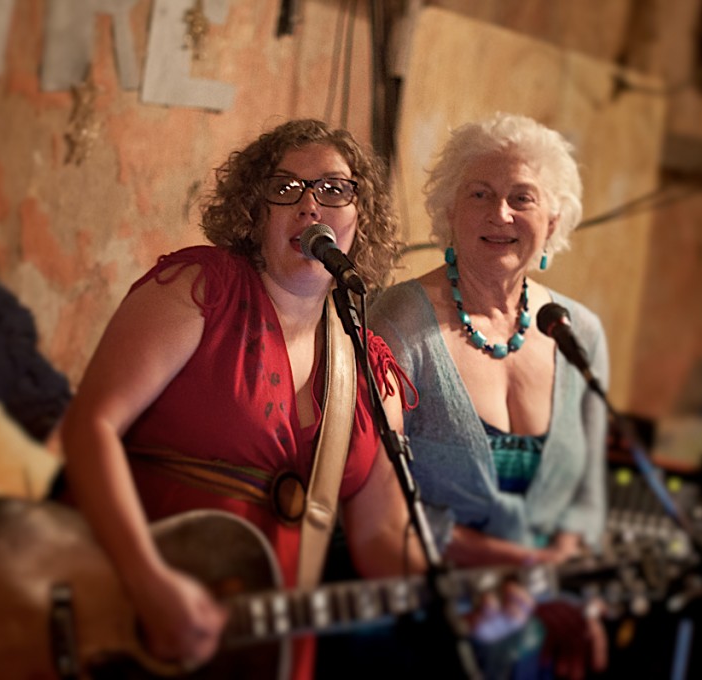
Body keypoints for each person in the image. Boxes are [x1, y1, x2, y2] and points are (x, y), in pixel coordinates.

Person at [58, 118, 528, 680]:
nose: (311, 207)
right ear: (257, 214)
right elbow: (92, 426)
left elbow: (381, 537)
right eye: (286, 189)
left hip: (266, 653)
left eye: (334, 190)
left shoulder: (373, 368)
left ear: (360, 218)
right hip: (115, 617)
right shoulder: (201, 289)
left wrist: (460, 597)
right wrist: (147, 580)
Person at [368, 113, 610, 679]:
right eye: (480, 193)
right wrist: (524, 563)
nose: (500, 213)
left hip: (543, 623)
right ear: (450, 214)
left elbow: (585, 497)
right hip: (425, 621)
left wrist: (572, 592)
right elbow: (375, 504)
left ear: (552, 221)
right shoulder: (398, 323)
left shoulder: (578, 331)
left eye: (521, 198)